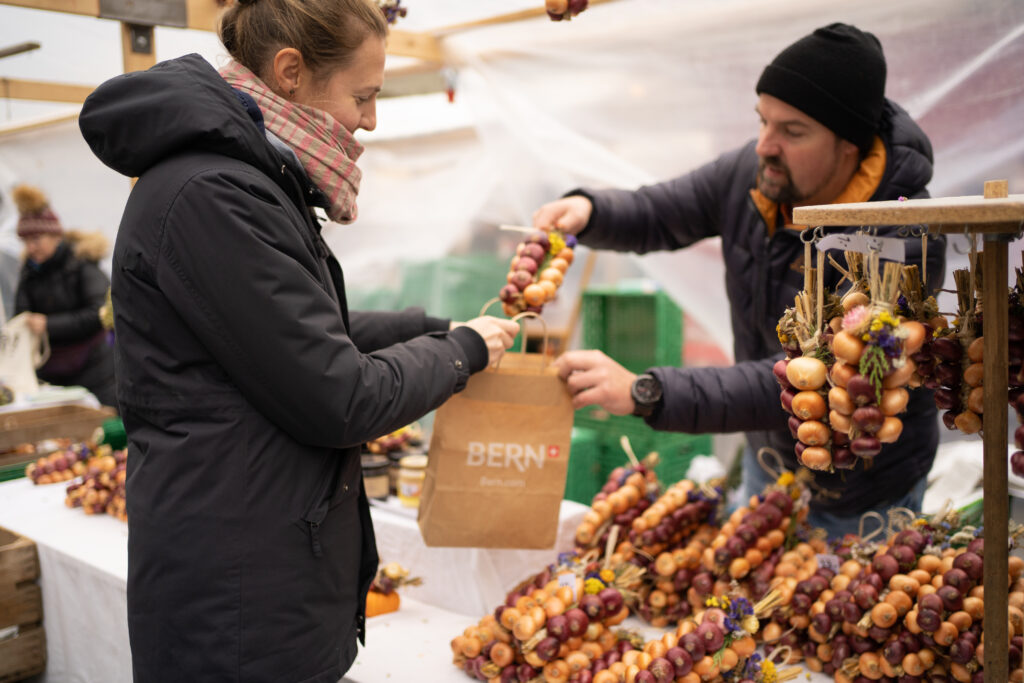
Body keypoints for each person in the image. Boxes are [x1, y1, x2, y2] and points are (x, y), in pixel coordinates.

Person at [78, 0, 520, 680]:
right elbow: (339, 394)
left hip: (258, 568)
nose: (370, 119)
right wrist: (463, 354)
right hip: (237, 600)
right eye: (363, 95)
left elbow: (297, 334)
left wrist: (429, 329)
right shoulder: (215, 195)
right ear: (290, 71)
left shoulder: (245, 180)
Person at [533, 23, 945, 539]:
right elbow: (659, 212)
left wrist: (647, 391)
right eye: (762, 121)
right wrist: (589, 211)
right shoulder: (752, 177)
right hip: (769, 460)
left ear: (849, 147)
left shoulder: (901, 236)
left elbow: (807, 373)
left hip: (863, 489)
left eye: (792, 132)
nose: (765, 146)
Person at [12, 184, 117, 407]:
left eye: (36, 239)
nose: (31, 247)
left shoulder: (82, 264)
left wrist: (48, 324)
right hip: (53, 377)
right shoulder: (28, 273)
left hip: (96, 372)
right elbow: (20, 316)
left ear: (54, 235)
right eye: (26, 241)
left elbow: (100, 314)